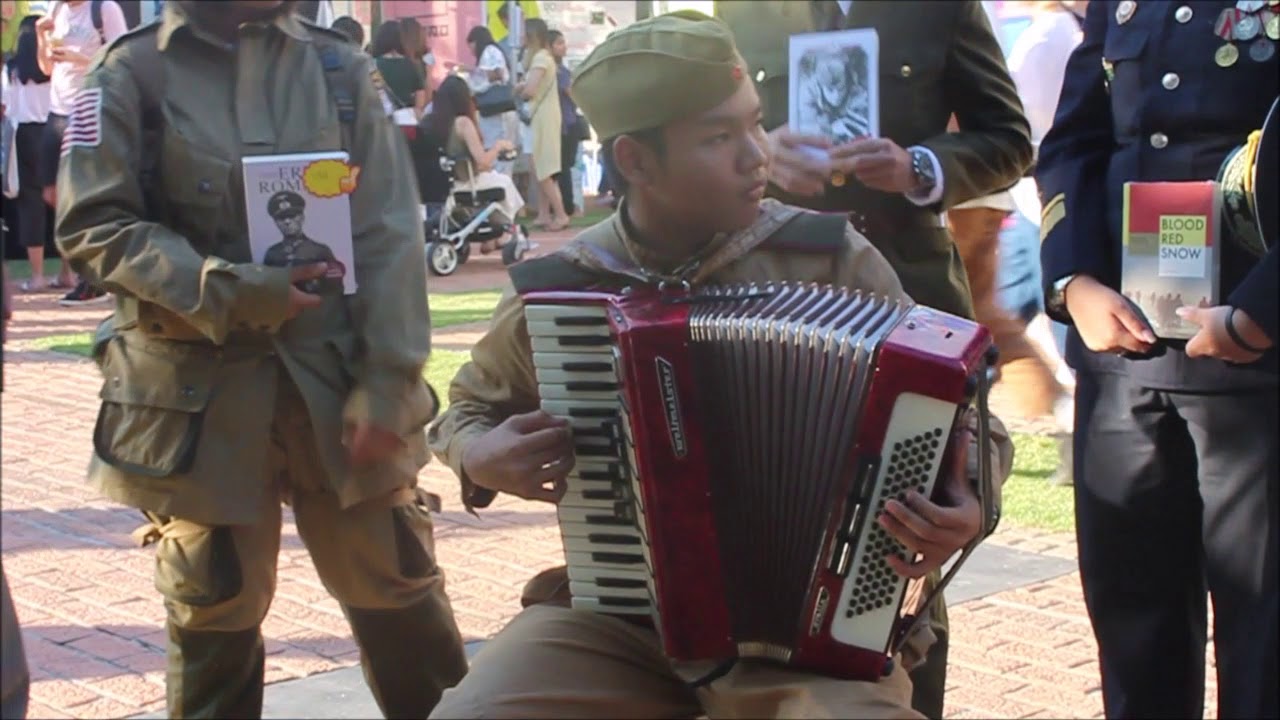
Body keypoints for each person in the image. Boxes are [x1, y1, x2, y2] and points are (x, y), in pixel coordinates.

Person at [425, 11, 1013, 719]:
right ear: (635, 162)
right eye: (718, 138)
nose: (757, 156)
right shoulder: (567, 284)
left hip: (815, 632)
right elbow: (465, 410)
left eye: (755, 125)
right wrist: (478, 455)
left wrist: (969, 496)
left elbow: (971, 425)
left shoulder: (829, 259)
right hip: (622, 622)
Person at [54, 2, 469, 717]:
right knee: (214, 606)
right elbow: (92, 224)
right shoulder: (130, 74)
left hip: (340, 388)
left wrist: (388, 381)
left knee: (398, 592)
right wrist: (223, 287)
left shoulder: (339, 67)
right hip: (198, 399)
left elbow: (390, 231)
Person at [719, 3, 1033, 715]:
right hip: (771, 300)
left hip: (913, 303)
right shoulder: (742, 7)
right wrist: (760, 153)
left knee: (914, 530)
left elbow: (1010, 139)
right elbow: (703, 135)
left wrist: (920, 166)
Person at [1036, 2, 1277, 718]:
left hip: (1258, 364)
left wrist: (1264, 310)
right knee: (1133, 628)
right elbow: (1073, 143)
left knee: (1265, 641)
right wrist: (1072, 280)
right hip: (1125, 358)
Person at [37, 0, 127, 305]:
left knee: (86, 194)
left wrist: (80, 58)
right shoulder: (57, 12)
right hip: (56, 110)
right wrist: (41, 36)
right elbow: (46, 68)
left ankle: (91, 278)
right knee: (52, 194)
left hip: (89, 106)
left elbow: (121, 61)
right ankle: (87, 272)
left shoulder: (104, 9)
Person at [422, 75, 524, 252]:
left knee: (494, 181)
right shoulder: (463, 123)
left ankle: (493, 236)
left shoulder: (429, 121)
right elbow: (483, 162)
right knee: (504, 183)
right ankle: (502, 232)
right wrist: (499, 146)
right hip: (466, 183)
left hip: (443, 183)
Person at [5, 15, 53, 293]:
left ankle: (37, 276)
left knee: (30, 203)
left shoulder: (12, 68)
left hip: (25, 135)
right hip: (56, 128)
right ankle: (70, 274)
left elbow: (6, 106)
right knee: (62, 200)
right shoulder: (53, 65)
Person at [514, 17, 568, 231]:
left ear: (531, 36)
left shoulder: (540, 59)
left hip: (542, 118)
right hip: (541, 117)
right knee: (540, 168)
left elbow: (530, 90)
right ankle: (545, 214)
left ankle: (561, 214)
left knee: (543, 169)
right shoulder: (542, 58)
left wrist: (519, 89)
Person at [261, 191, 345, 296]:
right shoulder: (272, 253)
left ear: (302, 217)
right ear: (276, 222)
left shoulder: (320, 250)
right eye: (281, 218)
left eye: (292, 216)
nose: (287, 221)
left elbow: (336, 287)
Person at [463, 24, 518, 177]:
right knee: (498, 151)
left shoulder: (490, 51)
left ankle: (501, 185)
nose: (471, 50)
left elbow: (496, 74)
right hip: (493, 110)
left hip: (498, 110)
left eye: (471, 45)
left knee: (499, 151)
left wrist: (469, 70)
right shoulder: (490, 52)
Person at [371, 20, 426, 120]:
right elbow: (420, 103)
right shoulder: (413, 65)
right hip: (407, 123)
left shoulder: (372, 65)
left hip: (381, 122)